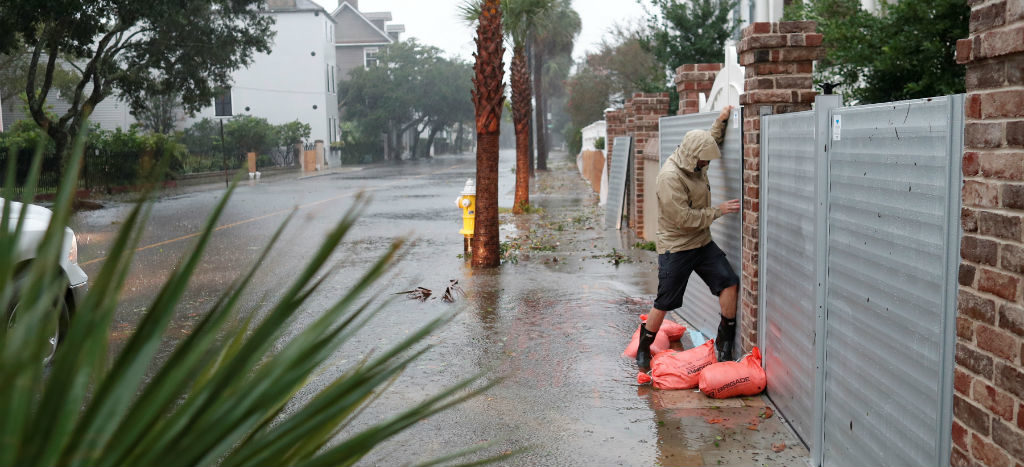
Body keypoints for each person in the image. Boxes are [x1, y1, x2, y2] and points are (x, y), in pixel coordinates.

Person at [635, 105, 741, 371]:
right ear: (693, 158)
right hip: (677, 245)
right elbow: (683, 219)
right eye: (704, 161)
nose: (707, 165)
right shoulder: (669, 177)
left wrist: (721, 121)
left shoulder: (695, 158)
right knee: (666, 301)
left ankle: (725, 342)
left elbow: (709, 140)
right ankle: (644, 347)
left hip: (702, 242)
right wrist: (719, 211)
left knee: (728, 282)